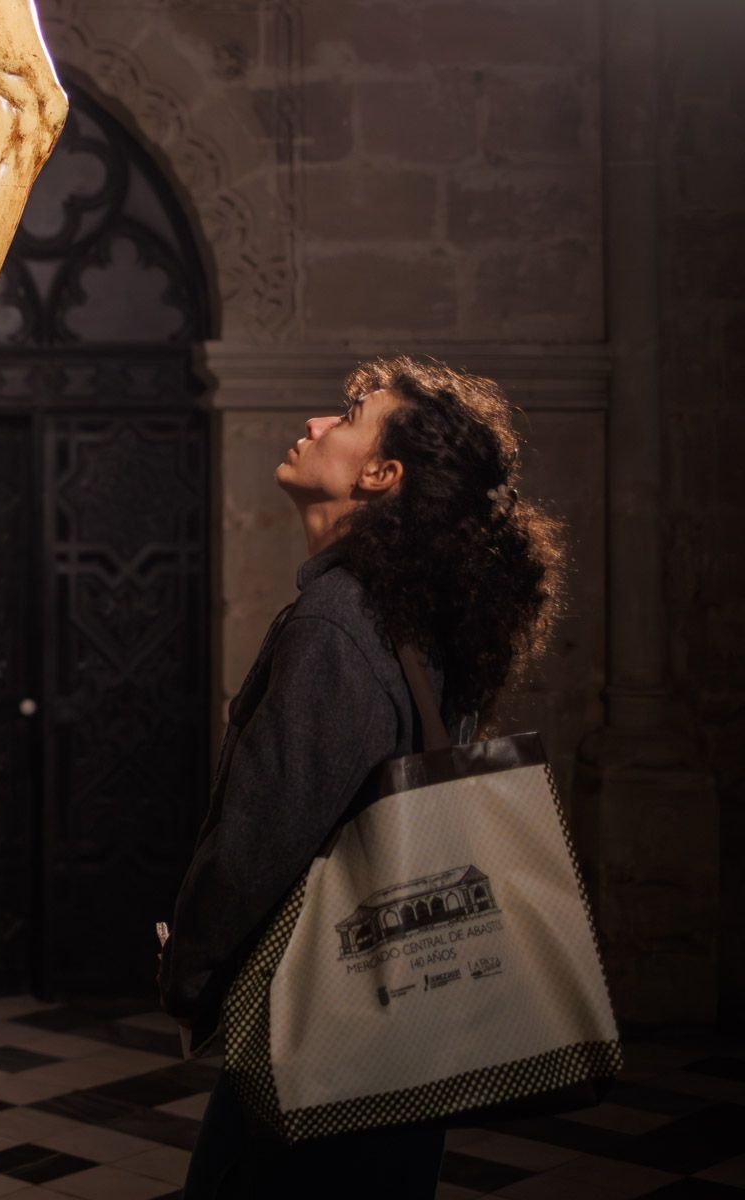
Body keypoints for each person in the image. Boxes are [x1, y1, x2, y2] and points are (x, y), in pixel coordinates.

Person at [157, 355, 568, 1199]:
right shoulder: (404, 615)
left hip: (324, 1039)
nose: (313, 425)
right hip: (397, 1031)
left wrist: (189, 973)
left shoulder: (336, 627)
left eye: (345, 418)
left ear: (382, 475)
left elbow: (261, 837)